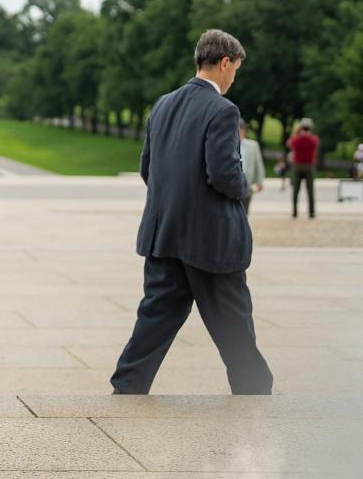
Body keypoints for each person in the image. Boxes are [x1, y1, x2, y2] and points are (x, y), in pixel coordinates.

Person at [112, 29, 272, 396]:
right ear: (225, 63)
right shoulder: (223, 109)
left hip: (163, 234)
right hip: (210, 240)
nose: (234, 78)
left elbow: (147, 168)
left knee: (156, 316)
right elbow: (224, 174)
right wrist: (244, 186)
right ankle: (254, 390)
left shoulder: (164, 104)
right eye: (235, 70)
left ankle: (128, 385)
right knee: (233, 321)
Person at [286, 119, 319, 219]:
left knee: (296, 190)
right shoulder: (314, 139)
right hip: (309, 166)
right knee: (310, 191)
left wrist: (297, 132)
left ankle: (295, 212)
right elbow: (316, 144)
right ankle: (311, 212)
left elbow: (289, 143)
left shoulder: (296, 139)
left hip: (298, 166)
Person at [239, 121, 264, 214]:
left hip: (247, 183)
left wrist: (259, 181)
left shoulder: (253, 145)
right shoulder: (228, 145)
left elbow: (258, 163)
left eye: (241, 130)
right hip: (233, 182)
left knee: (245, 211)